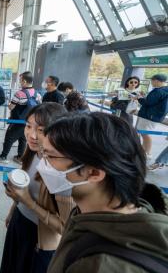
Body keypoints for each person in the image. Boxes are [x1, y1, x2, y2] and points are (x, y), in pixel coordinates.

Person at [41, 113, 168, 273]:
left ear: (94, 173)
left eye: (50, 156)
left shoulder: (100, 266)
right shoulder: (90, 213)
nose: (43, 164)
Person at [0, 103, 75, 273]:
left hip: (40, 240)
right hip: (19, 223)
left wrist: (27, 202)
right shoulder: (33, 150)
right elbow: (26, 186)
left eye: (41, 130)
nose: (32, 135)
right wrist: (14, 208)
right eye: (28, 126)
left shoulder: (62, 170)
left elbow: (66, 228)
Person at [0, 71, 42, 164]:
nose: (19, 82)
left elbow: (11, 107)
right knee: (23, 139)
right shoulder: (37, 94)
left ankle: (3, 156)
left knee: (9, 137)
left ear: (24, 81)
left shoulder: (19, 94)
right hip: (29, 122)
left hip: (17, 121)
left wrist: (9, 103)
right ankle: (20, 157)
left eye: (20, 80)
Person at [136, 74, 168, 159]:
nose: (151, 82)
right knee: (144, 133)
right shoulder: (165, 91)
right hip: (154, 116)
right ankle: (143, 151)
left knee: (145, 134)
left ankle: (148, 153)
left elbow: (148, 103)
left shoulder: (158, 91)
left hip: (149, 116)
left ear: (156, 81)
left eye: (152, 81)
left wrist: (139, 98)